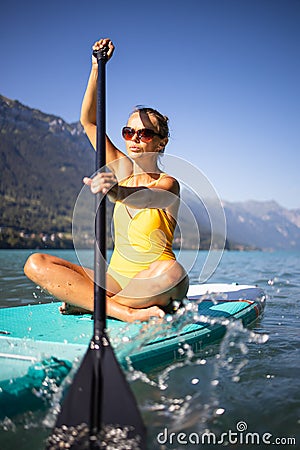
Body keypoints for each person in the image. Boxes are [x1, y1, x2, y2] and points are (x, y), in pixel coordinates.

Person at [24, 38, 189, 322]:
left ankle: (88, 303)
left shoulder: (168, 183)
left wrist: (115, 191)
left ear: (161, 143)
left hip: (155, 280)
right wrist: (95, 68)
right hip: (114, 283)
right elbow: (89, 122)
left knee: (173, 273)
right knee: (36, 263)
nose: (135, 138)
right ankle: (121, 311)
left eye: (146, 134)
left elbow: (145, 198)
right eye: (129, 132)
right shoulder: (121, 166)